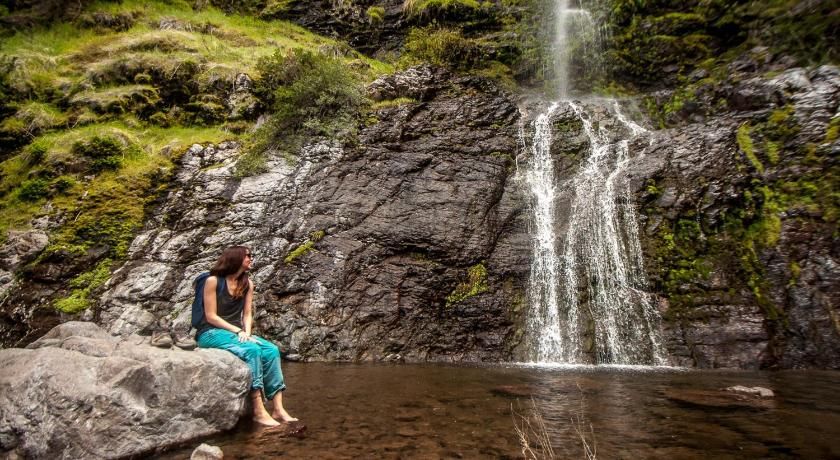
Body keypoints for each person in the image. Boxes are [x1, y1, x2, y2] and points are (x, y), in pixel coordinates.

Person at [195, 245, 298, 426]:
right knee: (251, 350)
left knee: (272, 350)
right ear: (236, 258)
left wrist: (248, 333)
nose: (251, 259)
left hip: (237, 332)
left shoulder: (247, 284)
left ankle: (278, 409)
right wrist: (238, 332)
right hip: (210, 332)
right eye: (248, 256)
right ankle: (259, 409)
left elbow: (247, 314)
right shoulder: (213, 281)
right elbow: (211, 316)